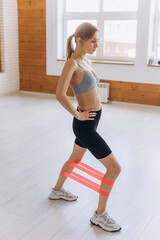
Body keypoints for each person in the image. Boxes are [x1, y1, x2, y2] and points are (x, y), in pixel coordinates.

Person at [49, 22, 122, 232]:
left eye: (97, 40)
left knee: (75, 159)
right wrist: (77, 114)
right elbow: (59, 95)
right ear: (80, 40)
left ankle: (57, 190)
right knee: (114, 169)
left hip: (92, 121)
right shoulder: (71, 64)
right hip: (85, 126)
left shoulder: (85, 60)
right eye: (93, 40)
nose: (96, 44)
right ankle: (99, 216)